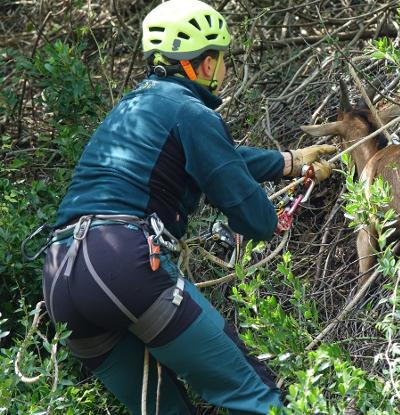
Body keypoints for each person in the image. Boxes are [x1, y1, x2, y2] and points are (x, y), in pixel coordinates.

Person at [40, 0, 336, 413]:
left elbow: (215, 156)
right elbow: (258, 221)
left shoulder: (133, 107)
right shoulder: (191, 112)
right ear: (206, 62)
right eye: (222, 58)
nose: (225, 69)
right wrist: (259, 210)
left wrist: (288, 162)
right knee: (254, 395)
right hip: (123, 267)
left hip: (62, 280)